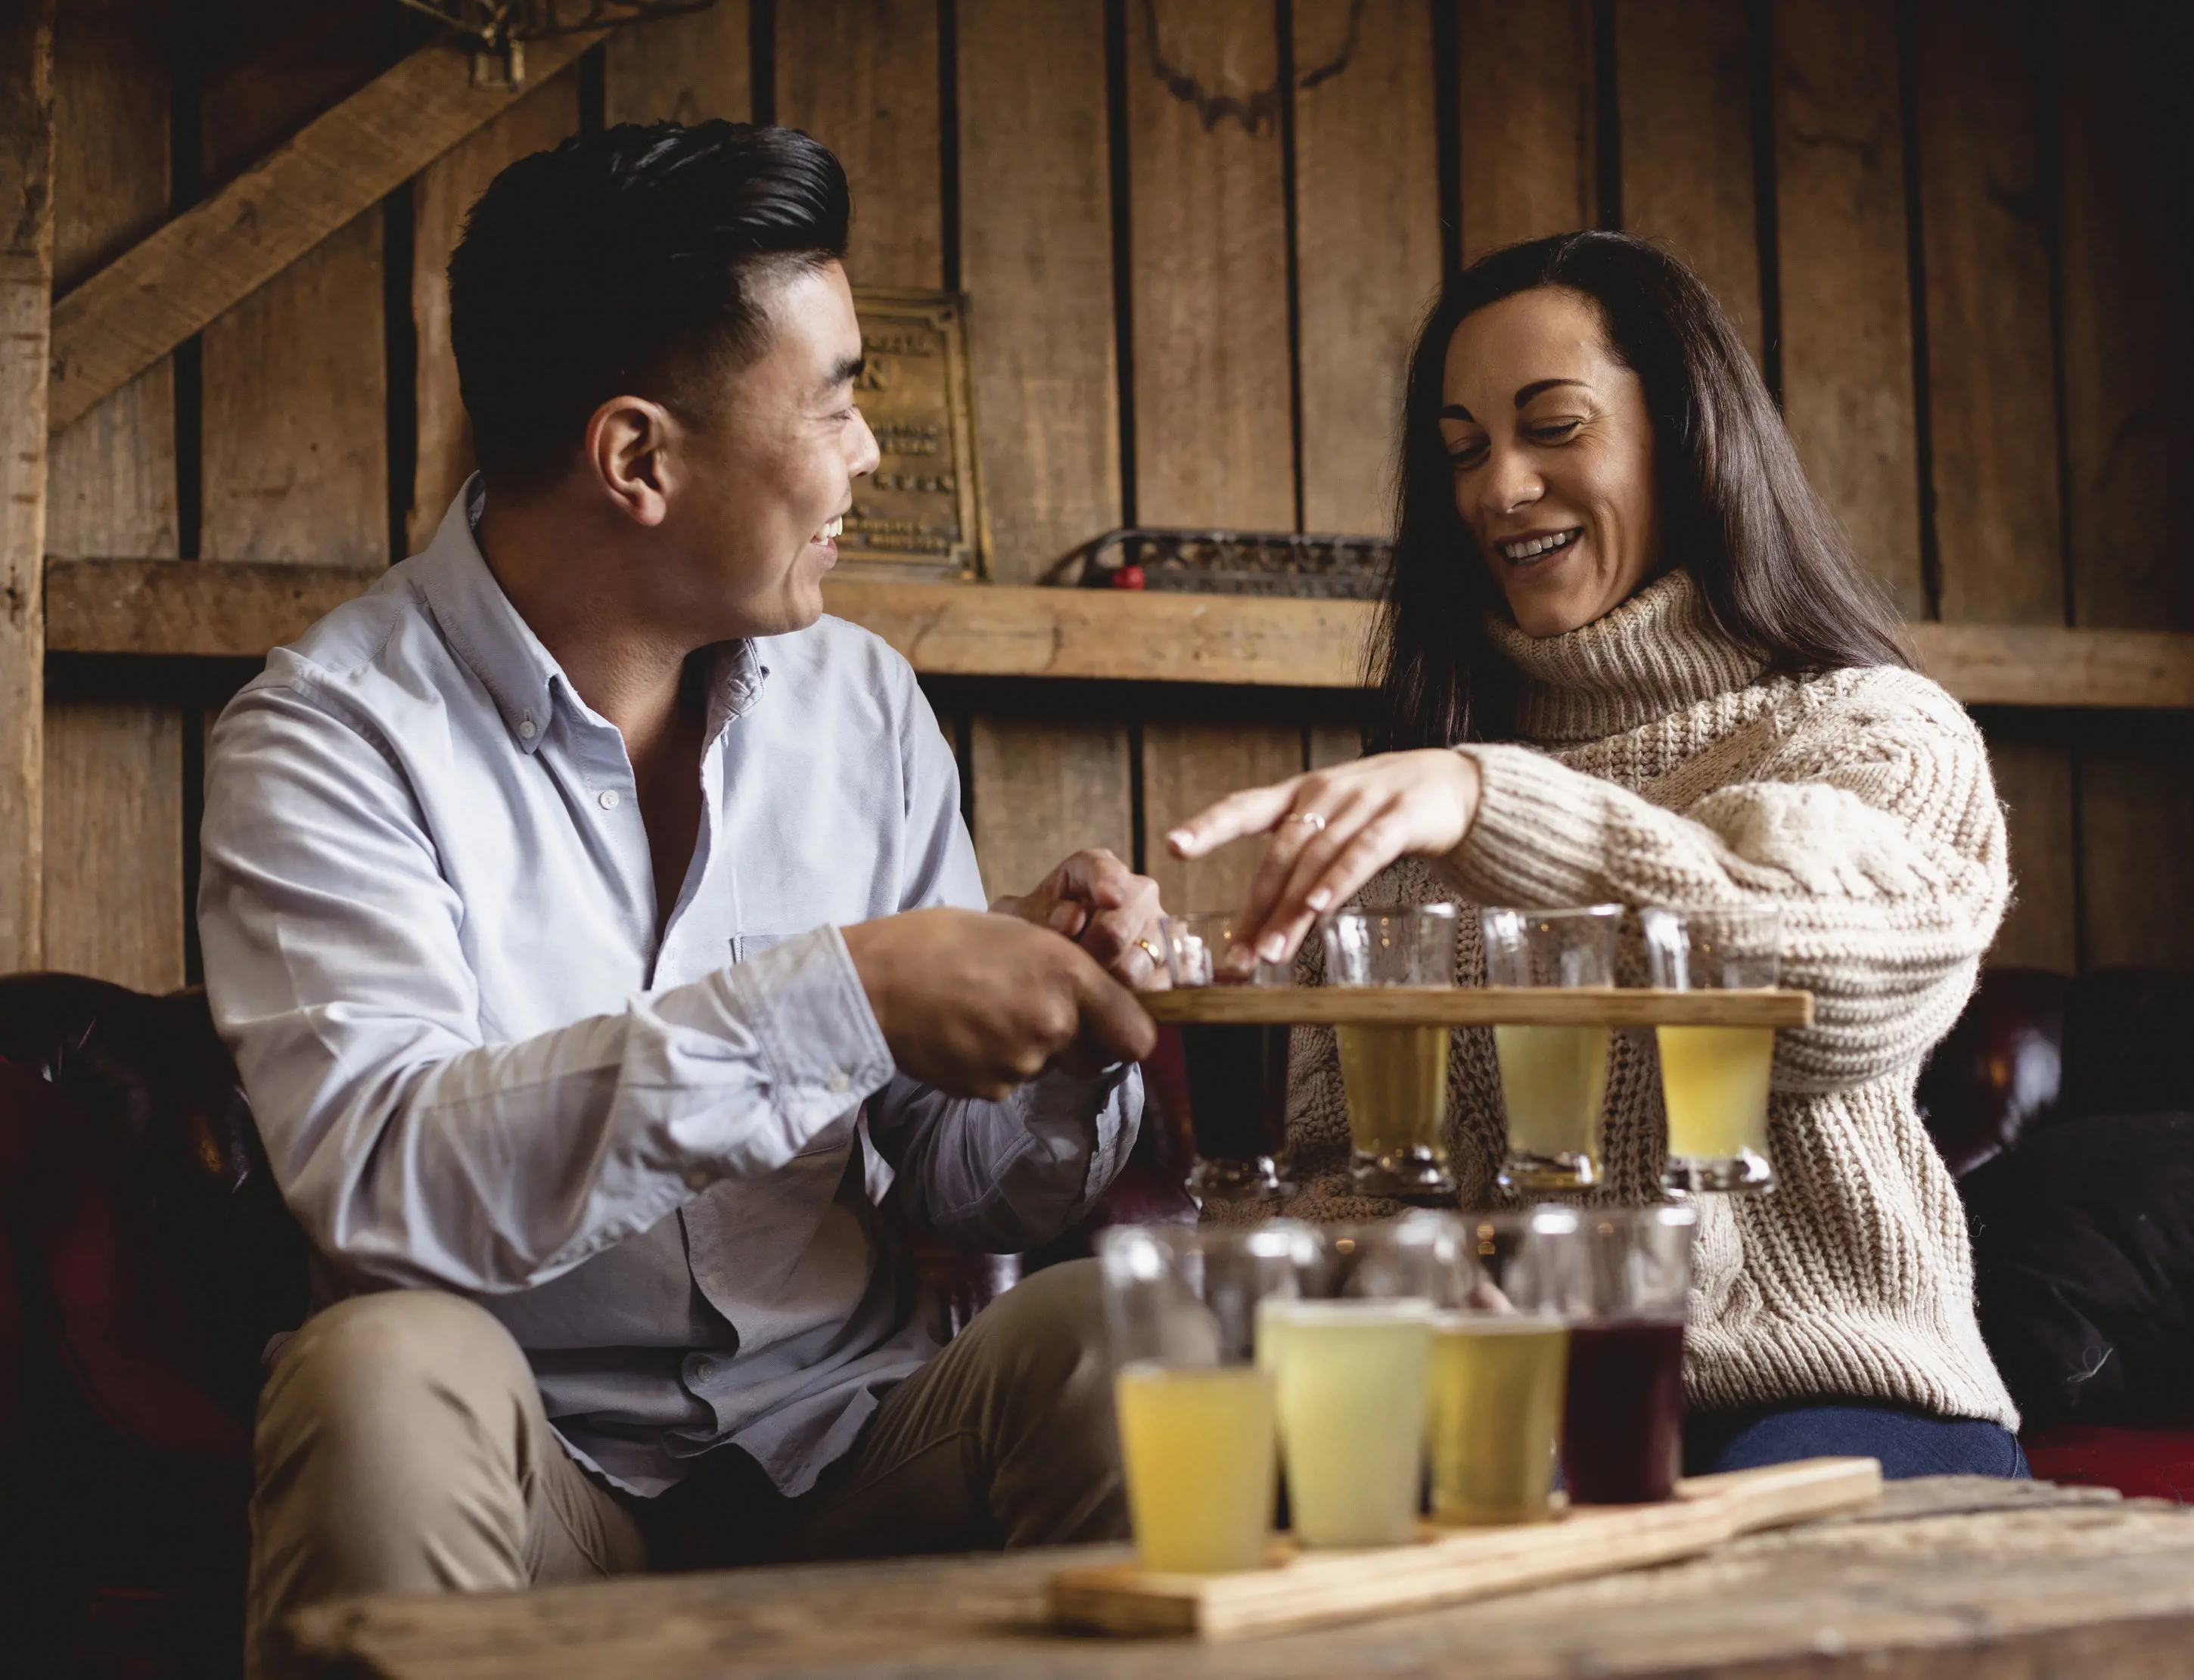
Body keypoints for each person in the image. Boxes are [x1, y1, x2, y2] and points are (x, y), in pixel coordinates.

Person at [198, 123, 1164, 1677]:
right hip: (534, 1474)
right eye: (839, 398)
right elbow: (387, 1174)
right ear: (637, 458)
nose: (869, 453)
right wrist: (842, 997)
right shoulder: (327, 737)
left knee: (1131, 1336)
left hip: (858, 1446)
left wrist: (1059, 1041)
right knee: (379, 1369)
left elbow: (957, 1188)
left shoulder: (864, 706)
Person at [1169, 231, 2025, 1479]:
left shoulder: (1865, 728)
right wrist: (1387, 1283)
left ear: (1685, 436)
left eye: (1552, 427)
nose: (1498, 487)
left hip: (1830, 1382)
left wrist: (1501, 809)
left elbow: (1844, 996)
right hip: (1497, 1407)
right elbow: (1333, 1172)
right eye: (1460, 452)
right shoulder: (1423, 793)